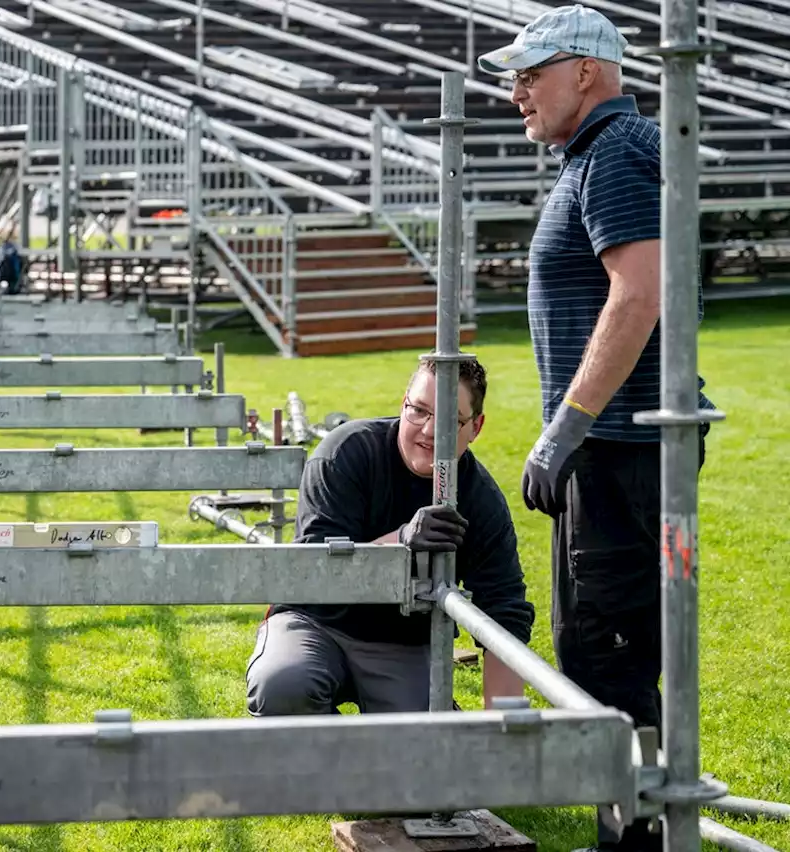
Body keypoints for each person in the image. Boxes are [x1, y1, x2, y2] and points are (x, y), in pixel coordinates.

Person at [477, 6, 714, 850]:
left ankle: (636, 840)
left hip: (617, 449)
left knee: (607, 656)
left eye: (530, 74)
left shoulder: (613, 151)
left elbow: (639, 295)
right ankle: (630, 832)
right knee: (602, 652)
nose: (516, 94)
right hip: (615, 448)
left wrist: (564, 430)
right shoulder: (600, 152)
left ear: (586, 71)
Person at [245, 357, 535, 718]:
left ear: (475, 427)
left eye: (450, 421)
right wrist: (401, 540)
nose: (429, 431)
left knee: (426, 745)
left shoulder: (480, 499)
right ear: (403, 402)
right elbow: (314, 569)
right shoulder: (346, 453)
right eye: (419, 410)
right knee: (283, 686)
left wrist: (504, 732)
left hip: (401, 642)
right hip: (316, 621)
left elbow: (503, 612)